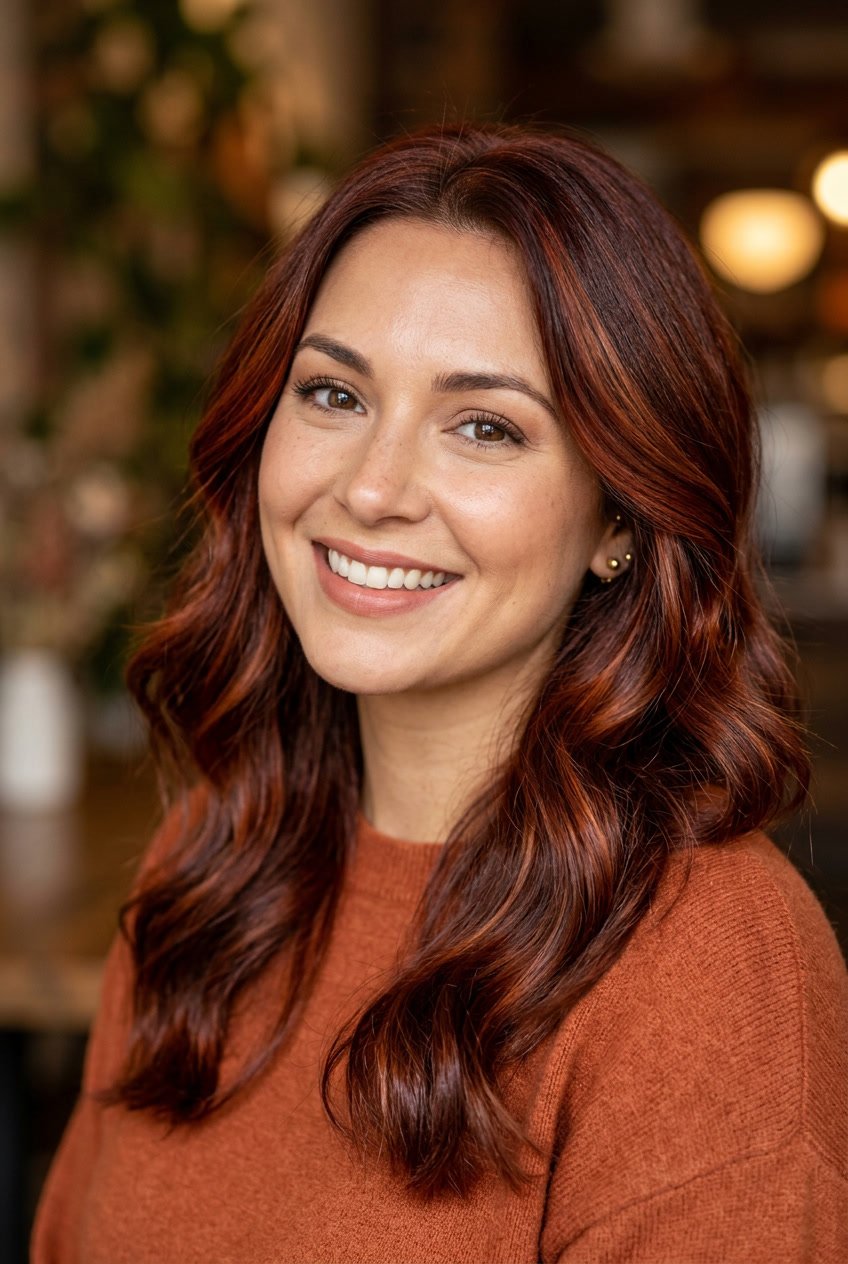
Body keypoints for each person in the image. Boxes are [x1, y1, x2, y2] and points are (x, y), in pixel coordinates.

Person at [33, 122, 847, 1263]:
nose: (372, 488)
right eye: (332, 394)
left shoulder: (711, 964)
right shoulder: (215, 861)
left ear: (619, 516)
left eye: (483, 426)